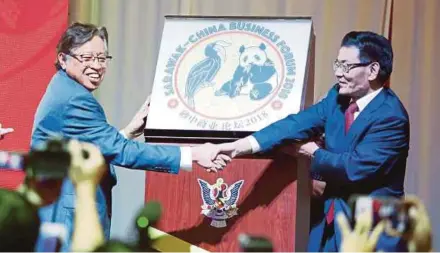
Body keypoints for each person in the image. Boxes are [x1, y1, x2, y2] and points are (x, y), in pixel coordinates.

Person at [31, 22, 225, 251]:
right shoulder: (75, 99)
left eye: (102, 58)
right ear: (63, 59)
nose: (96, 66)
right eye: (87, 57)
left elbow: (90, 146)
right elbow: (121, 151)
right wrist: (192, 153)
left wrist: (127, 132)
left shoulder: (64, 89)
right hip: (71, 218)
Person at [212, 31, 410, 251]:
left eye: (346, 66)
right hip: (326, 224)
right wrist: (239, 146)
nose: (338, 73)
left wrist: (311, 152)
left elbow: (353, 168)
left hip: (371, 233)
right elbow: (296, 123)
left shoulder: (391, 117)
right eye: (337, 64)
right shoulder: (337, 98)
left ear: (372, 70)